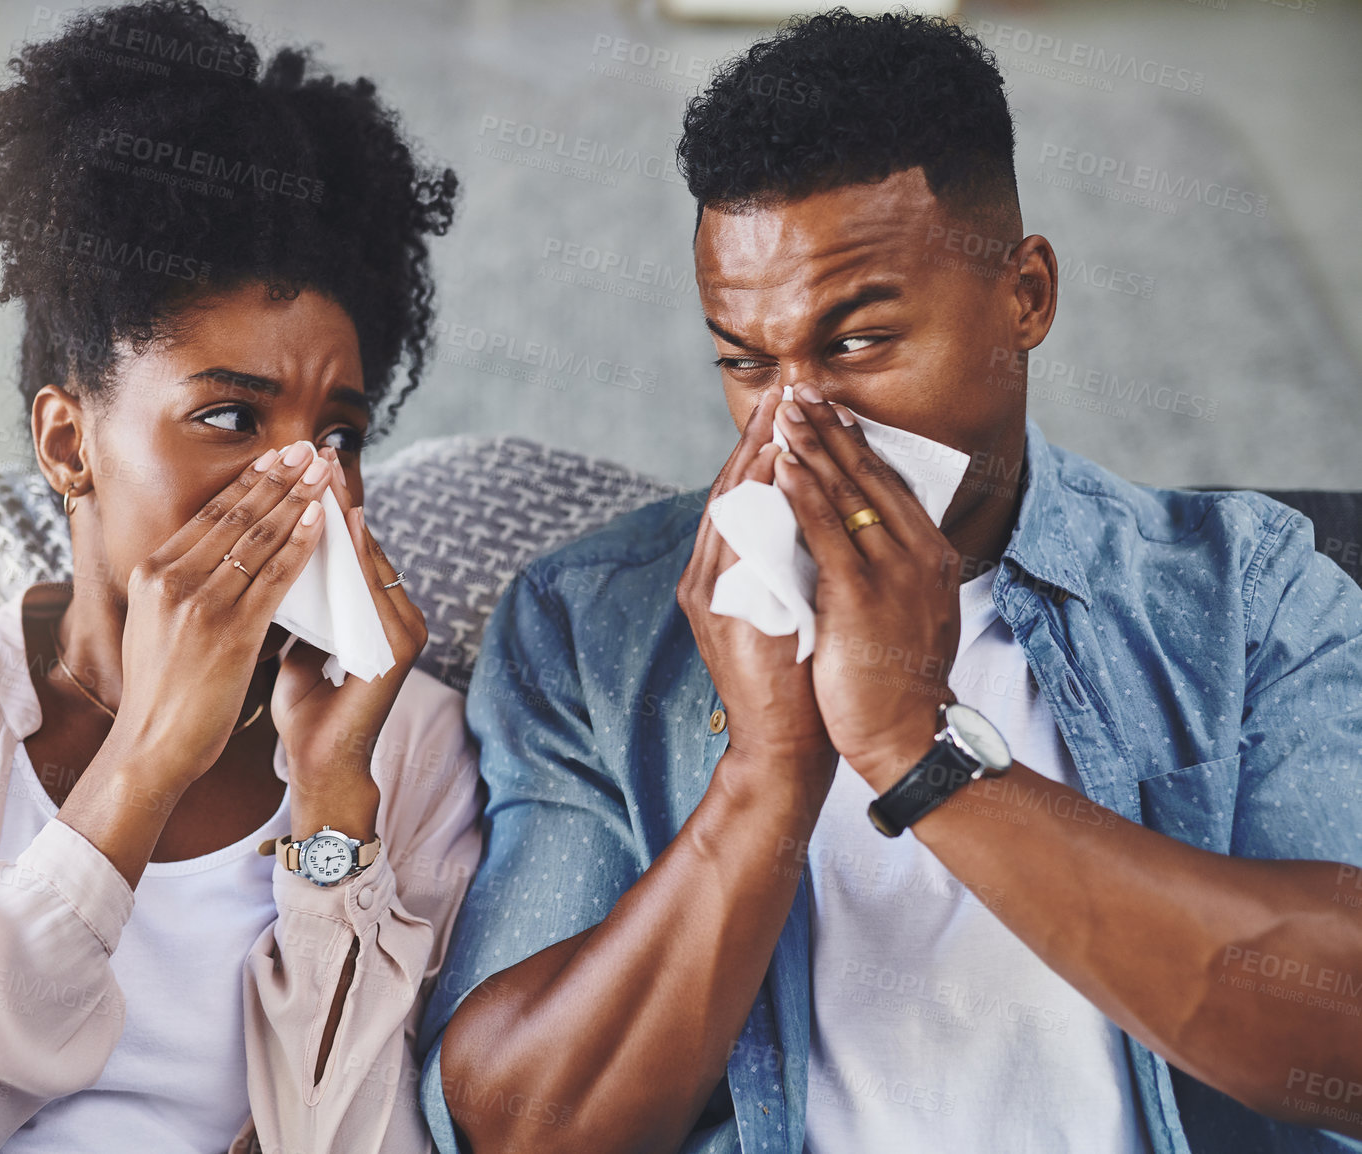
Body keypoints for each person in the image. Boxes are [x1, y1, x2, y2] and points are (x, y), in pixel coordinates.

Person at [420, 10, 1362, 1154]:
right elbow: (520, 1127)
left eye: (857, 344)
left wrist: (919, 751)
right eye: (747, 360)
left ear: (1024, 297)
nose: (795, 422)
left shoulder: (1239, 592)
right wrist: (765, 775)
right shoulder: (592, 625)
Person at [0, 4, 478, 1151]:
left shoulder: (404, 738)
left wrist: (337, 791)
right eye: (230, 416)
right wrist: (142, 765)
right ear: (65, 444)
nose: (307, 487)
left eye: (337, 435)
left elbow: (360, 1135)